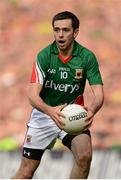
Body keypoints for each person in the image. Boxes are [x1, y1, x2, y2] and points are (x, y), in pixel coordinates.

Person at [12, 11, 104, 179]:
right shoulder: (44, 56)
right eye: (56, 30)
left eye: (65, 30)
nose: (60, 35)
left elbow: (99, 94)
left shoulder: (87, 57)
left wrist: (92, 110)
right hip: (44, 115)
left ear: (75, 32)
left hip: (72, 116)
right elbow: (32, 95)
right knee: (25, 173)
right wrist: (50, 110)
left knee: (85, 156)